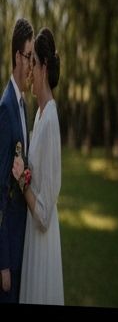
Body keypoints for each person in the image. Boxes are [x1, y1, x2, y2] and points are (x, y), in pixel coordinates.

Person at [16, 27, 62, 305]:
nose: (29, 70)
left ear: (44, 67)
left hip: (42, 243)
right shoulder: (39, 117)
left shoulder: (51, 122)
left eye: (33, 63)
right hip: (31, 236)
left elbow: (44, 216)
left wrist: (22, 181)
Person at [0, 17, 34, 302]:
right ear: (16, 57)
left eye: (33, 58)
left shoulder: (23, 105)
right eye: (28, 57)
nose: (31, 65)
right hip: (9, 252)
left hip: (24, 244)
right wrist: (3, 263)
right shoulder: (6, 108)